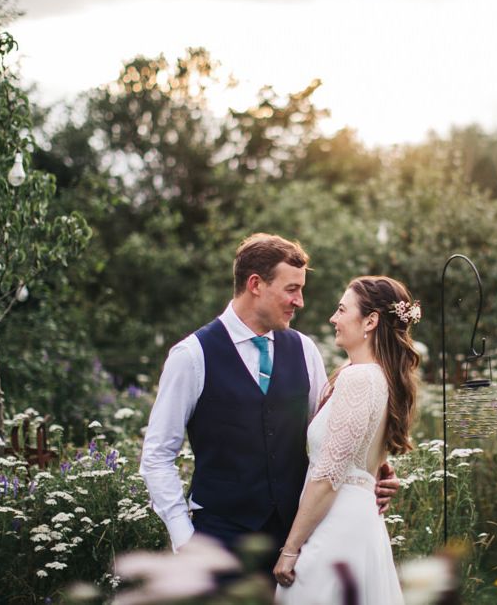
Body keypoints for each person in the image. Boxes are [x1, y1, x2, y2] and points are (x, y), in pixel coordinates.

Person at [139, 234, 401, 562]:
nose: (300, 301)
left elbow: (330, 435)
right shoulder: (192, 356)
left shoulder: (305, 350)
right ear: (255, 284)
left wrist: (375, 472)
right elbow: (157, 455)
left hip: (294, 543)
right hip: (219, 542)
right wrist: (184, 538)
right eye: (292, 289)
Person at [274, 275, 420, 604]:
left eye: (342, 310)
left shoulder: (359, 378)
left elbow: (328, 476)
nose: (333, 318)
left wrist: (291, 548)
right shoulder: (374, 376)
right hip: (358, 521)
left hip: (335, 528)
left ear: (370, 320)